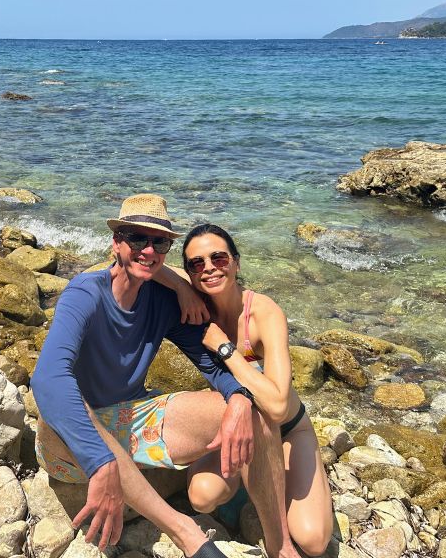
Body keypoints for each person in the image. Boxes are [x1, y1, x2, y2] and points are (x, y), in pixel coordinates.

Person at [31, 194, 298, 558]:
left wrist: (237, 398)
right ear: (116, 242)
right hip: (67, 440)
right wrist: (100, 460)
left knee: (257, 411)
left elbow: (210, 364)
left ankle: (281, 547)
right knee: (78, 401)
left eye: (159, 241)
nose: (148, 250)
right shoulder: (85, 293)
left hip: (131, 418)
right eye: (136, 238)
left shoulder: (163, 300)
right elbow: (48, 379)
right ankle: (186, 533)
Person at [165, 223, 333, 557]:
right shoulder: (197, 301)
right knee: (202, 497)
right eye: (196, 264)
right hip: (234, 420)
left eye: (219, 258)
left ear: (237, 263)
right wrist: (181, 289)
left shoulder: (263, 313)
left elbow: (277, 406)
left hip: (286, 430)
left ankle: (279, 479)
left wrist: (225, 348)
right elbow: (147, 265)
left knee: (313, 542)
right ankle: (255, 485)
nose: (209, 268)